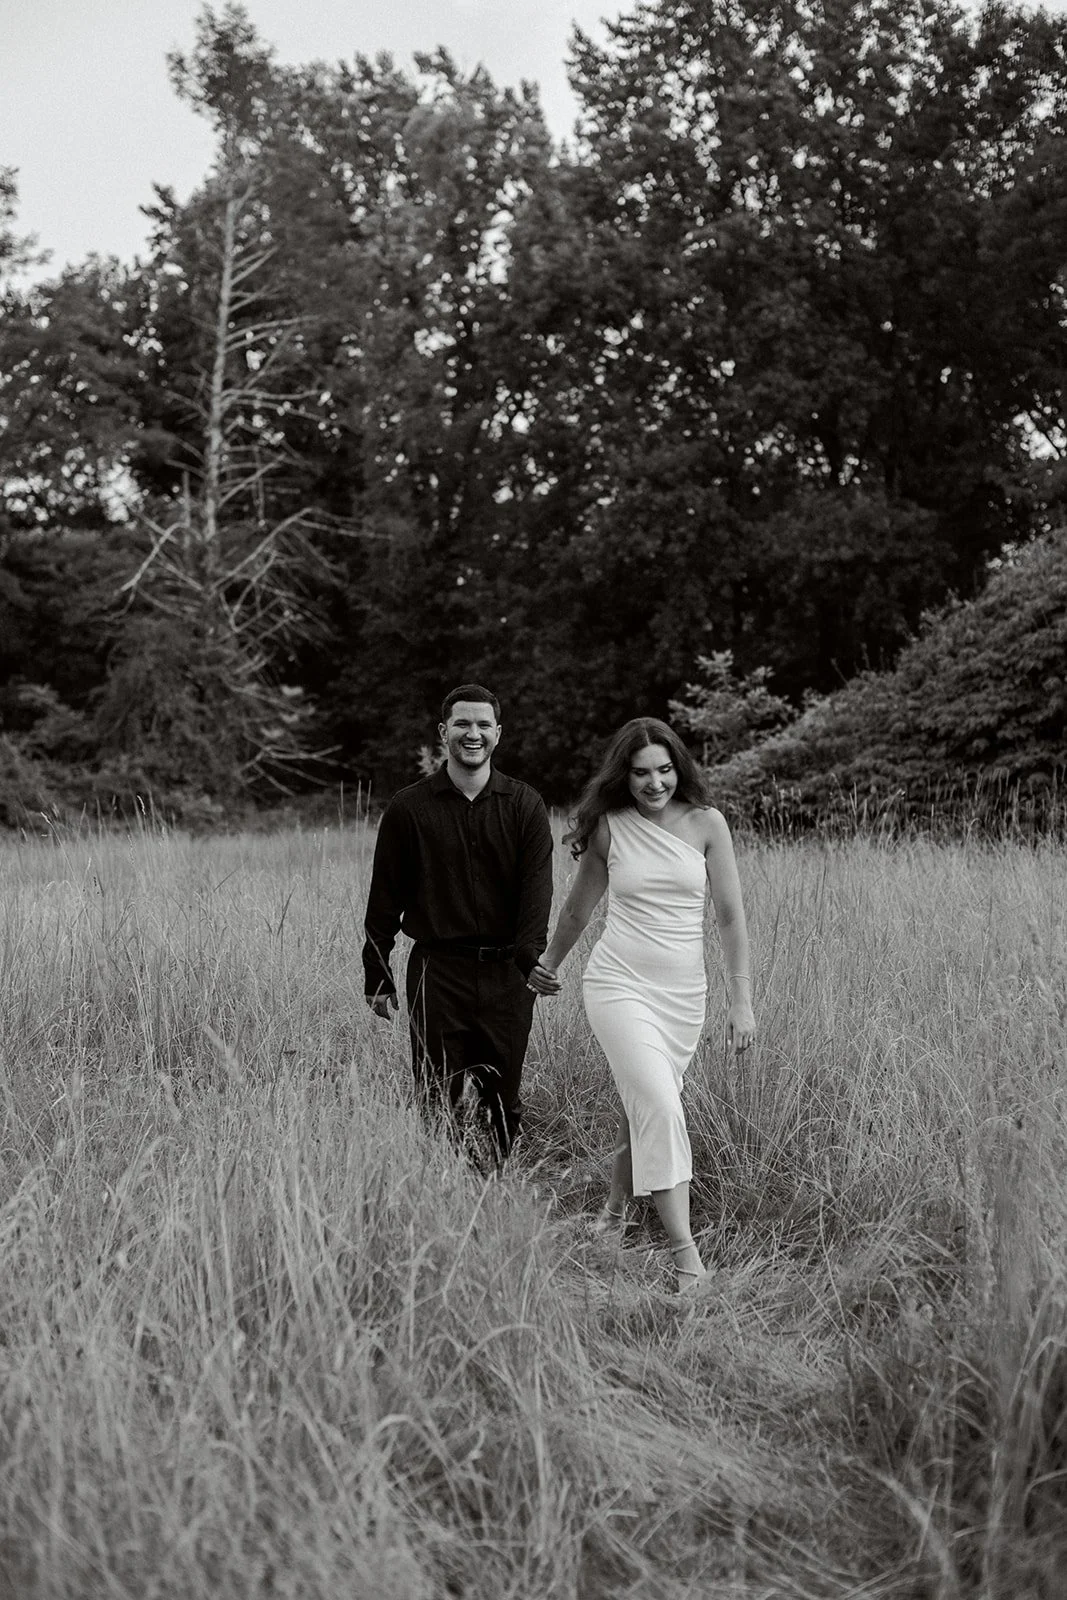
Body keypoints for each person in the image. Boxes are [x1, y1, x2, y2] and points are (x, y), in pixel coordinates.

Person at [528, 717, 756, 1291]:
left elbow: (729, 917)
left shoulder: (708, 825)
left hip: (683, 997)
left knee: (642, 1107)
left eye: (663, 770)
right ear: (622, 776)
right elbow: (579, 910)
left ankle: (612, 1215)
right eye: (639, 773)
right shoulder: (610, 828)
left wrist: (741, 1001)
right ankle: (686, 1256)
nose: (653, 783)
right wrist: (548, 964)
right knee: (659, 1102)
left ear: (678, 769)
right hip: (617, 984)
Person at [362, 684, 553, 1159]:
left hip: (508, 975)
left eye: (483, 725)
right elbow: (384, 895)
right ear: (444, 731)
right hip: (436, 973)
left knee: (501, 1104)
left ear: (498, 734)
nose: (473, 734)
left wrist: (531, 959)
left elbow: (537, 894)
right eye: (463, 724)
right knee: (435, 1100)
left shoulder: (524, 806)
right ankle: (439, 1199)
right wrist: (376, 972)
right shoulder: (409, 809)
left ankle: (495, 1196)